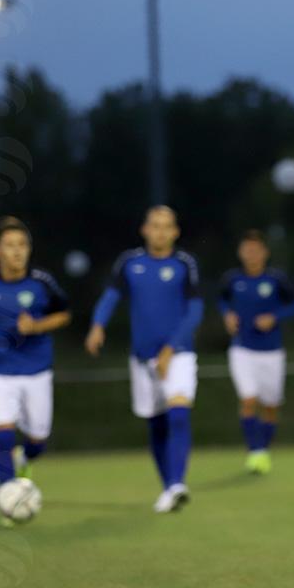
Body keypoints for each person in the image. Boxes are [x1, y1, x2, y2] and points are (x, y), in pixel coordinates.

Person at [85, 206, 203, 511]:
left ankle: (177, 482)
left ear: (175, 232)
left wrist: (170, 349)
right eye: (155, 225)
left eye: (167, 226)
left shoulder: (184, 264)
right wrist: (98, 326)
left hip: (178, 355)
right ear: (145, 229)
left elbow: (195, 310)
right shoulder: (129, 263)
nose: (161, 231)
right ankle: (168, 488)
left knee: (179, 413)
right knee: (157, 424)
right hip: (141, 358)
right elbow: (111, 297)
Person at [0, 217, 70, 523]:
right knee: (3, 436)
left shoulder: (42, 283)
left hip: (37, 371)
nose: (18, 251)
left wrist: (37, 325)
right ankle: (8, 501)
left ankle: (25, 458)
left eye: (22, 245)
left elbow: (64, 315)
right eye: (10, 246)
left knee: (38, 440)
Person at [218, 230, 294, 473]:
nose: (251, 254)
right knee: (248, 399)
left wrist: (274, 317)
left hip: (272, 352)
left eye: (256, 250)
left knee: (270, 406)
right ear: (240, 252)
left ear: (265, 253)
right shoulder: (232, 279)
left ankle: (262, 450)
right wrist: (227, 315)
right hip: (242, 350)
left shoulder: (276, 279)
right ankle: (255, 451)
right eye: (247, 249)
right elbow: (222, 301)